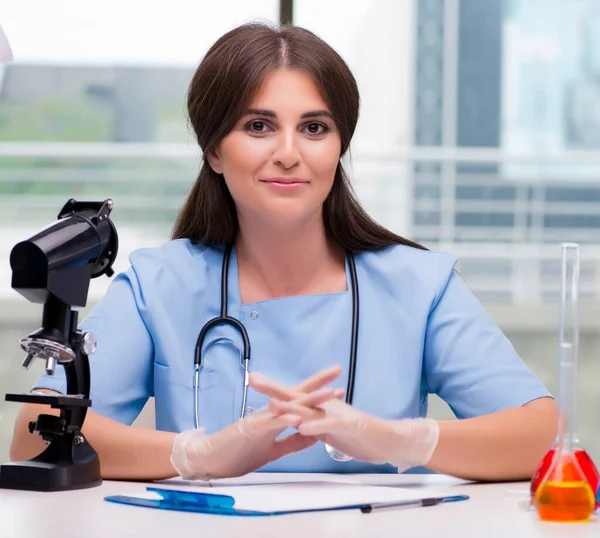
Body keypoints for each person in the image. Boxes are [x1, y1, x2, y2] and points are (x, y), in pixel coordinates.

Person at [10, 22, 557, 482]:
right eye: (258, 126)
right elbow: (35, 435)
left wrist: (396, 439)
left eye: (315, 128)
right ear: (214, 151)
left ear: (339, 146)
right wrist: (196, 454)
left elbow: (543, 438)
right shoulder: (161, 285)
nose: (289, 154)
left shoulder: (419, 285)